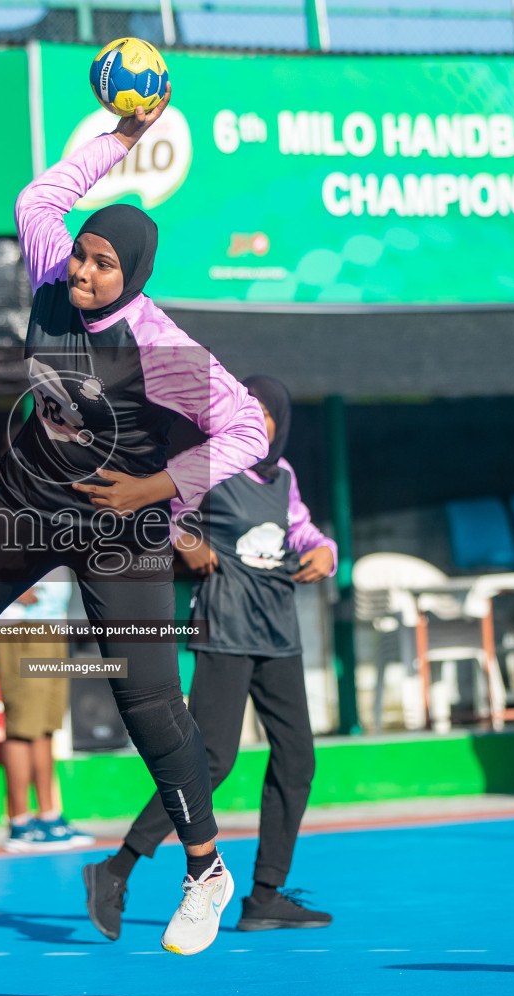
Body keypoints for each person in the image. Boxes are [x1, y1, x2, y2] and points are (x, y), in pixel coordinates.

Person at [0, 89, 270, 956]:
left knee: (146, 698)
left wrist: (157, 489)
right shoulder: (49, 274)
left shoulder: (164, 351)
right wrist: (122, 137)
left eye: (104, 262)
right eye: (83, 254)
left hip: (119, 527)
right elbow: (39, 200)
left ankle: (206, 868)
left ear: (132, 274)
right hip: (27, 503)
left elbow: (248, 425)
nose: (84, 269)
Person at [86, 376, 336, 939]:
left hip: (279, 633)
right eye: (253, 412)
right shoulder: (212, 463)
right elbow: (166, 511)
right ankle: (116, 869)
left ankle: (265, 895)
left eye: (269, 415)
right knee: (212, 760)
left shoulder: (285, 476)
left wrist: (324, 552)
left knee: (297, 761)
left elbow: (301, 531)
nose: (261, 426)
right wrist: (184, 539)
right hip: (223, 628)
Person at [0, 567, 93, 851]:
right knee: (23, 725)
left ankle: (49, 817)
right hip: (19, 625)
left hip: (51, 621)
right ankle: (20, 824)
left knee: (45, 725)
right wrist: (7, 584)